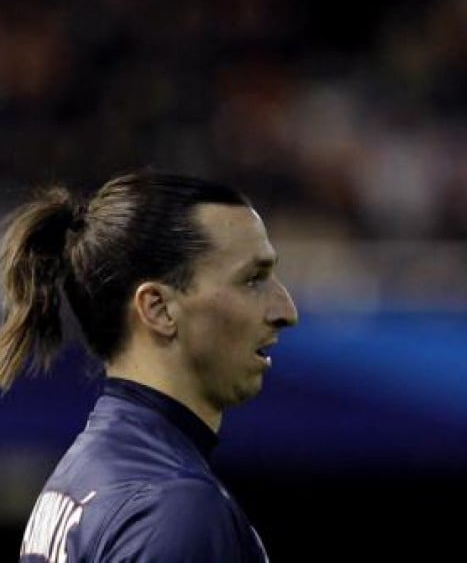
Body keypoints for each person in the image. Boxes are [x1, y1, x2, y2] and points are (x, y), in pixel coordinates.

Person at [0, 170, 299, 562]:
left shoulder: (81, 478)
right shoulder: (173, 508)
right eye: (252, 279)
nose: (286, 310)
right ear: (157, 308)